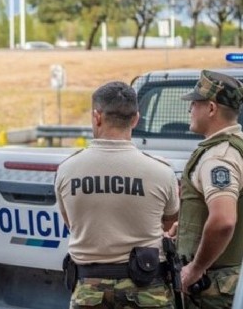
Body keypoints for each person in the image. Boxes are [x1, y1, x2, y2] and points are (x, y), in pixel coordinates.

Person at [55, 81, 179, 308]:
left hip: (89, 291)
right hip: (147, 291)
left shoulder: (66, 170)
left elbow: (72, 223)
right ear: (135, 119)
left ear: (97, 116)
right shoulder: (161, 172)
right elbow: (169, 222)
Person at [175, 70, 243, 309]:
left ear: (212, 108)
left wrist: (196, 267)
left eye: (194, 104)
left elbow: (224, 220)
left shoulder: (218, 158)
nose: (189, 110)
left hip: (214, 288)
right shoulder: (238, 147)